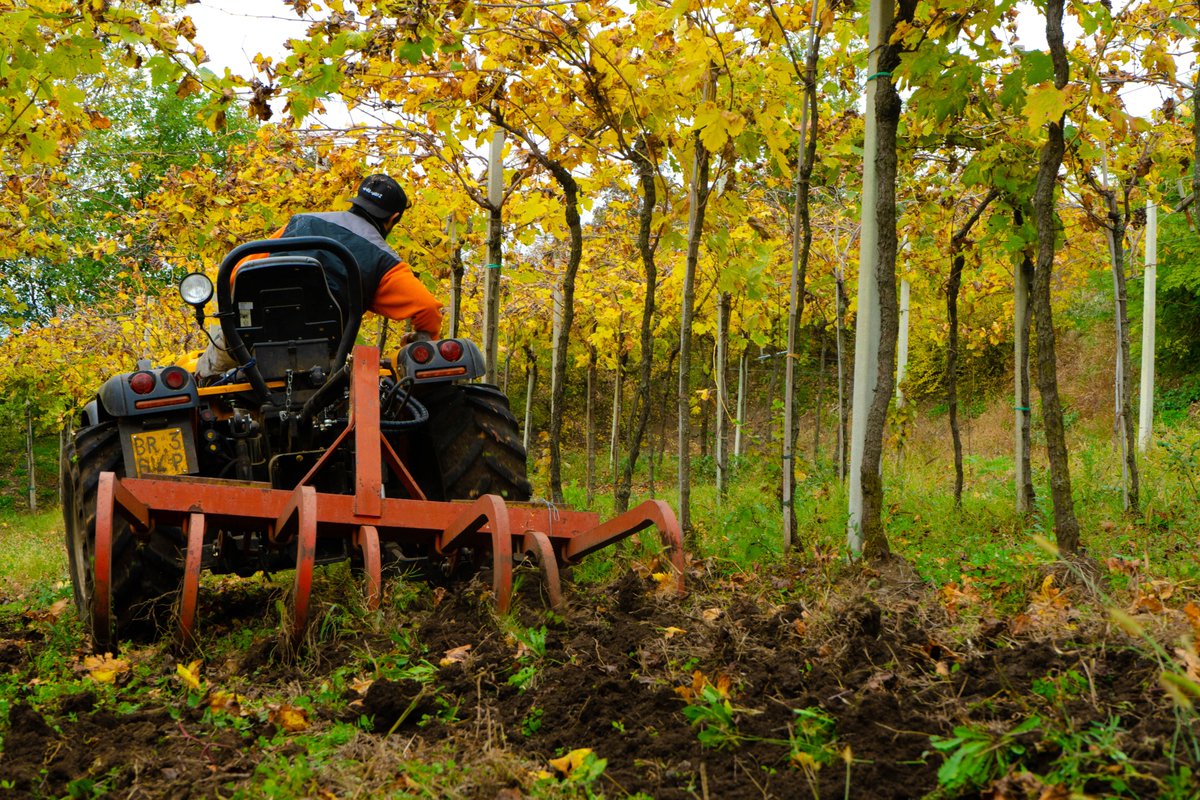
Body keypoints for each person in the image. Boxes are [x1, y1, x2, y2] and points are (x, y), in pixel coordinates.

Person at [195, 174, 443, 378]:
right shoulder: (384, 262)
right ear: (394, 218)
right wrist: (422, 338)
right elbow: (428, 309)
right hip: (322, 358)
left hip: (246, 343)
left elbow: (237, 274)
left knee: (209, 382)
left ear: (355, 201)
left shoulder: (300, 224)